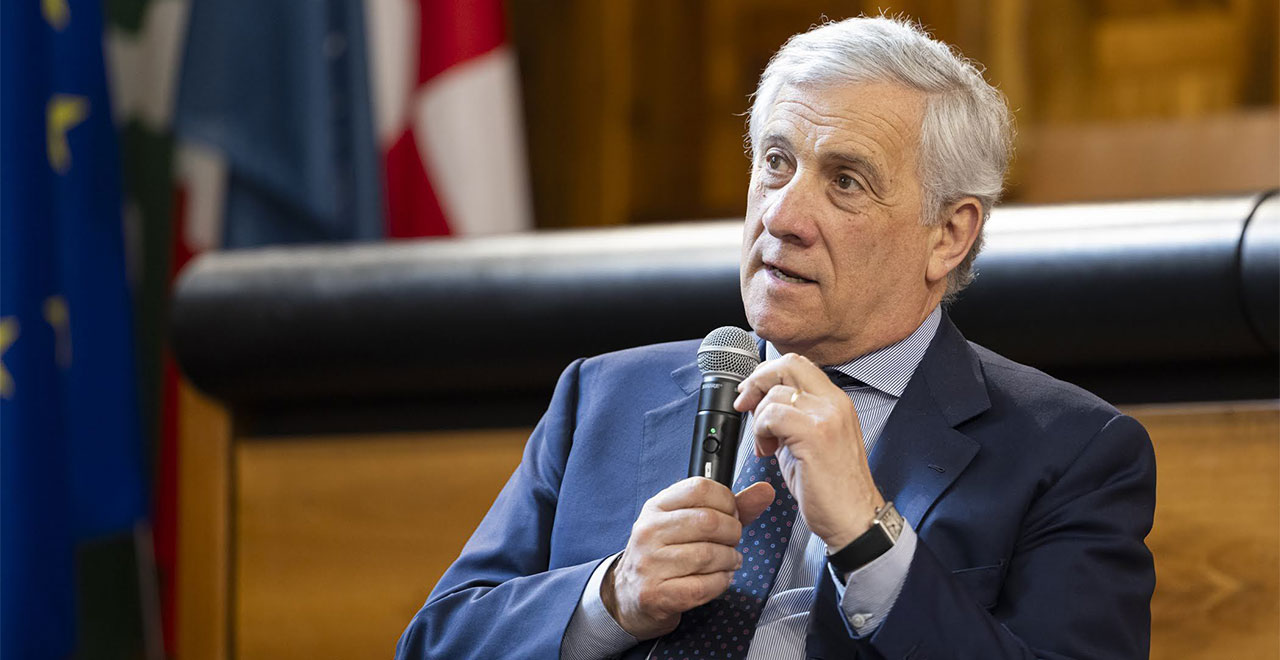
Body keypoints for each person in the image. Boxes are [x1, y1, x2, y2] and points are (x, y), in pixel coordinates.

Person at [396, 15, 1155, 660]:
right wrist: (612, 597)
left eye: (846, 181)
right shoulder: (600, 396)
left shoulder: (1073, 454)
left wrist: (869, 537)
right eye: (776, 162)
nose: (782, 217)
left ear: (948, 235)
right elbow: (437, 641)